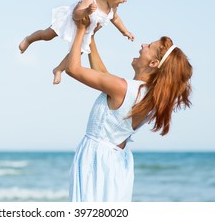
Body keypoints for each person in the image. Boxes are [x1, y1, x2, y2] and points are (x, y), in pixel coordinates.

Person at [65, 17, 193, 201]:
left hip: (96, 161)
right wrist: (90, 36)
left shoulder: (124, 89)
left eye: (149, 46)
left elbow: (73, 69)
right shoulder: (149, 96)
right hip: (115, 164)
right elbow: (103, 77)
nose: (143, 45)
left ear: (153, 63)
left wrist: (81, 28)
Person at [19, 0, 136, 84]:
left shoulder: (112, 9)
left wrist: (125, 31)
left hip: (85, 33)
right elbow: (76, 15)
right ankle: (29, 39)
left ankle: (58, 70)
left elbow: (115, 19)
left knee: (77, 53)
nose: (125, 0)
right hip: (70, 23)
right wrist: (87, 11)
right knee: (46, 35)